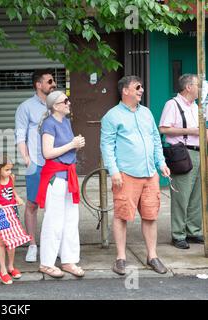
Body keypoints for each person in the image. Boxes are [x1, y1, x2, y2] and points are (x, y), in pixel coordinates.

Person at [101, 75, 171, 275]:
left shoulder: (147, 113)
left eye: (142, 86)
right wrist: (113, 171)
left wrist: (162, 163)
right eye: (137, 87)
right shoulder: (112, 116)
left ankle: (152, 256)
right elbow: (106, 146)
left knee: (150, 215)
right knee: (122, 215)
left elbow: (156, 140)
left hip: (150, 174)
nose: (141, 90)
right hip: (125, 174)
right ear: (125, 90)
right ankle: (120, 258)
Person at [35, 90, 85, 278]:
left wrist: (75, 145)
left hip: (67, 174)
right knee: (53, 221)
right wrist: (72, 145)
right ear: (55, 106)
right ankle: (47, 263)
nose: (69, 102)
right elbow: (48, 153)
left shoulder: (65, 121)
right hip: (56, 176)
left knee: (71, 219)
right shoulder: (49, 124)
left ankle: (68, 260)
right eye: (65, 100)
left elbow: (65, 149)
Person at [159, 74, 206, 249]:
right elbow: (163, 128)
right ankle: (178, 234)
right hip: (182, 153)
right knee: (181, 196)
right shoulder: (173, 104)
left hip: (199, 152)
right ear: (188, 87)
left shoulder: (196, 106)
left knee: (197, 195)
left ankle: (194, 231)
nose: (200, 88)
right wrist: (191, 131)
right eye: (197, 84)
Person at [15, 69, 57, 262]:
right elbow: (20, 136)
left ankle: (52, 245)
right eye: (49, 81)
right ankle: (32, 244)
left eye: (53, 81)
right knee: (32, 204)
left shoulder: (57, 105)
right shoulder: (26, 107)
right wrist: (27, 159)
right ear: (38, 85)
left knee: (54, 205)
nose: (53, 84)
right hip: (36, 164)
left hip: (55, 163)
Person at [0, 154, 25, 285]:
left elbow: (12, 190)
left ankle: (11, 266)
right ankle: (2, 270)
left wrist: (18, 197)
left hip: (12, 211)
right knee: (2, 241)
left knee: (12, 239)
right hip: (0, 213)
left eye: (11, 169)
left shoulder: (11, 178)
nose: (10, 172)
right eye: (7, 169)